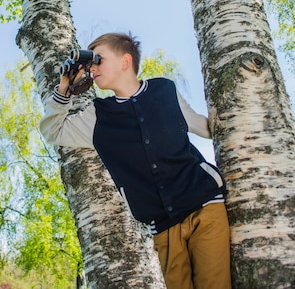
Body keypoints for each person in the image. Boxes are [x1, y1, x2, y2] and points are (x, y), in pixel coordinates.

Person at [39, 32, 231, 289]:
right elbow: (54, 131)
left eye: (98, 60)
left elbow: (204, 127)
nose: (92, 68)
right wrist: (64, 88)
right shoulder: (98, 116)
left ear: (125, 62)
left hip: (205, 207)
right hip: (162, 227)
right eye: (90, 63)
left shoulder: (165, 90)